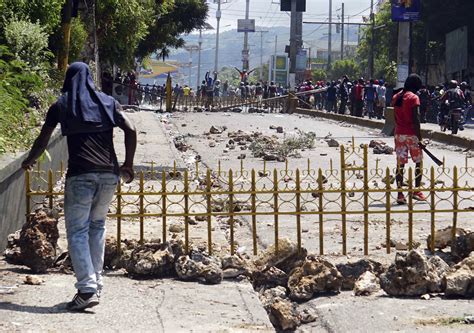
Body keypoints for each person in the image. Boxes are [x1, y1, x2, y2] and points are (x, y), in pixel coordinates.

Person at [21, 62, 137, 311]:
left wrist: (29, 161)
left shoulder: (62, 105)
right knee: (97, 227)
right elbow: (131, 128)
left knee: (77, 231)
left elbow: (43, 139)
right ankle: (96, 284)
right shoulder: (107, 102)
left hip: (81, 175)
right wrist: (128, 164)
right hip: (109, 175)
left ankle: (86, 288)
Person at [391, 73, 426, 205]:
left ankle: (400, 194)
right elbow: (416, 120)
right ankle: (416, 191)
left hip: (399, 134)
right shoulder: (414, 98)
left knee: (400, 164)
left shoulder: (396, 96)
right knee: (418, 162)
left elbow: (394, 117)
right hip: (412, 134)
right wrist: (420, 139)